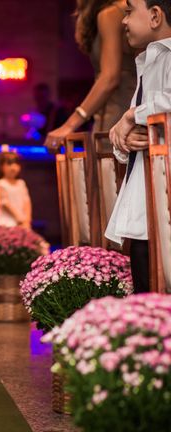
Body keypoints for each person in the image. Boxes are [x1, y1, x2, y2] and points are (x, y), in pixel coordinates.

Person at [107, 0, 171, 293]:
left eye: (130, 11)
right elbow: (126, 135)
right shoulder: (150, 61)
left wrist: (132, 115)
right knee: (145, 290)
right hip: (146, 203)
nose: (124, 21)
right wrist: (124, 137)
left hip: (164, 204)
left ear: (156, 15)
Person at [45, 0, 137, 149]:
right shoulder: (118, 10)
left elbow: (110, 78)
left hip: (118, 114)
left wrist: (69, 125)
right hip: (125, 112)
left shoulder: (111, 14)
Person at [0, 152, 32, 229]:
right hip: (6, 223)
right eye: (9, 164)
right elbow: (5, 203)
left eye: (16, 164)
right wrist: (20, 219)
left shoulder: (21, 183)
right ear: (2, 167)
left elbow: (27, 202)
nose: (13, 167)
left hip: (22, 222)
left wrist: (27, 220)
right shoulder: (1, 183)